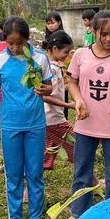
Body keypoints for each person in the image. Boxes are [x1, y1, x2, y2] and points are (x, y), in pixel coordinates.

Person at [65, 10, 110, 219]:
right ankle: (78, 214)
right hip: (85, 122)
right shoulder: (80, 55)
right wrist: (78, 100)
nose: (108, 39)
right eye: (103, 33)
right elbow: (72, 83)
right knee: (82, 171)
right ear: (94, 31)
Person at [0, 17, 54, 219]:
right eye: (11, 43)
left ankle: (35, 216)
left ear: (28, 39)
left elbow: (49, 86)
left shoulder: (40, 58)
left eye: (20, 43)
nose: (15, 48)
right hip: (10, 125)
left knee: (35, 172)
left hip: (35, 124)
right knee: (13, 173)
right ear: (5, 40)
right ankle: (15, 218)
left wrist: (46, 90)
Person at [42, 30, 76, 170]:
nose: (67, 56)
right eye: (66, 52)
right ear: (55, 49)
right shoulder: (53, 69)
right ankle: (94, 183)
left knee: (45, 156)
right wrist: (68, 105)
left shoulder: (44, 65)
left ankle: (29, 187)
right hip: (55, 119)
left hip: (46, 118)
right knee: (79, 149)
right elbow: (46, 96)